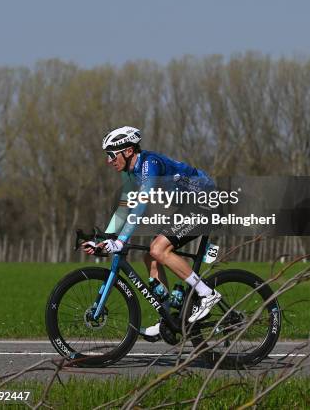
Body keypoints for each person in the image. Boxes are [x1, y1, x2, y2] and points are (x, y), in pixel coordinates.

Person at [83, 126, 221, 339]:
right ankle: (167, 317)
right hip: (184, 206)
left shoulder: (149, 164)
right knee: (151, 256)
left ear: (128, 151)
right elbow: (123, 209)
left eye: (111, 154)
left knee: (159, 249)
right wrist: (103, 239)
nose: (108, 160)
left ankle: (207, 294)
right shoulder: (130, 174)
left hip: (204, 201)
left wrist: (120, 242)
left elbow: (140, 205)